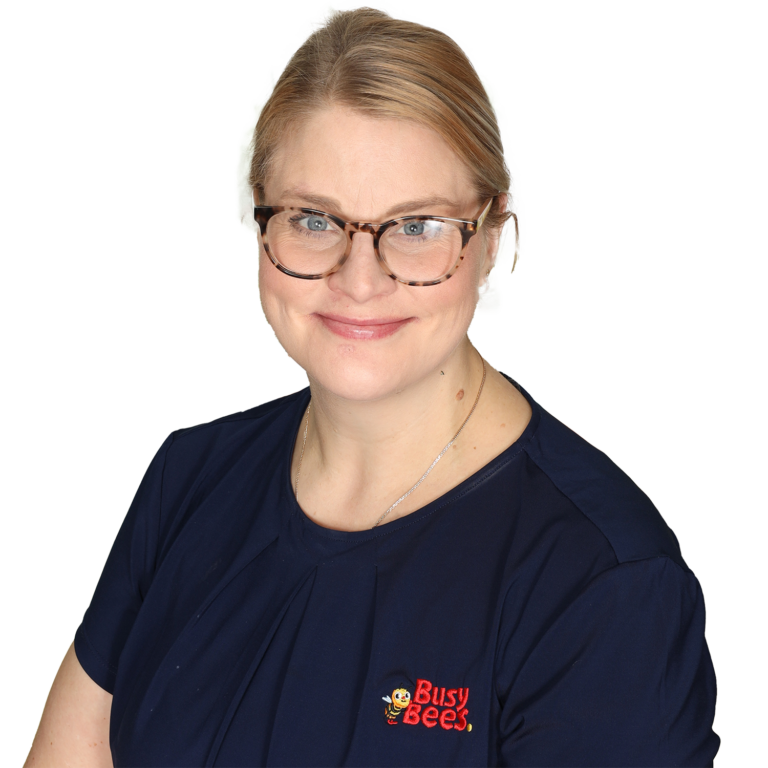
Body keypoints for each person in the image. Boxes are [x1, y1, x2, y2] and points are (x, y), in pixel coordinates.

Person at [24, 3, 719, 766]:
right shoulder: (187, 479)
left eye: (416, 226)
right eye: (315, 219)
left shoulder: (602, 583)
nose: (359, 279)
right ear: (258, 222)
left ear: (490, 240)